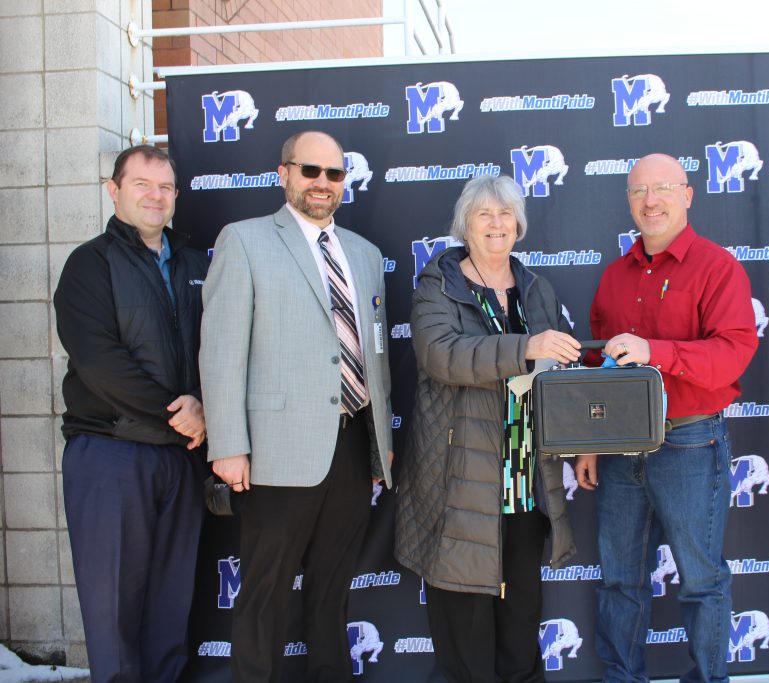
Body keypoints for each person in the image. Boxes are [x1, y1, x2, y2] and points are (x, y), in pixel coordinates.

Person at [200, 130, 394, 682]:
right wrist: (230, 447)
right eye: (310, 171)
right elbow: (221, 353)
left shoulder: (364, 254)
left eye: (334, 175)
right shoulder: (244, 240)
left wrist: (382, 449)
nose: (323, 184)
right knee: (264, 589)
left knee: (333, 588)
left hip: (354, 445)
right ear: (283, 173)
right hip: (276, 450)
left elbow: (375, 358)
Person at [574, 153, 758, 683]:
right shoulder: (613, 277)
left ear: (687, 195)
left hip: (689, 442)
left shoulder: (716, 266)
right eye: (638, 192)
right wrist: (590, 441)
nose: (649, 201)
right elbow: (596, 369)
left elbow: (732, 354)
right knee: (618, 580)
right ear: (629, 202)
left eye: (662, 188)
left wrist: (656, 350)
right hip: (617, 448)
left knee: (701, 580)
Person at [395, 175, 581, 683]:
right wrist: (526, 347)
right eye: (484, 215)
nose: (496, 224)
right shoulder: (439, 284)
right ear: (465, 226)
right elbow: (441, 356)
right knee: (465, 638)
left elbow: (555, 374)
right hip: (461, 483)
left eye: (505, 214)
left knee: (521, 627)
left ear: (519, 224)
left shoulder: (537, 287)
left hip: (525, 483)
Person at [54, 145, 207, 683]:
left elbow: (219, 345)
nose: (155, 195)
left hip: (179, 458)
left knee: (170, 607)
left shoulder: (193, 263)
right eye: (141, 184)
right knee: (113, 607)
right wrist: (181, 413)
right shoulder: (89, 264)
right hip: (111, 454)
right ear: (114, 190)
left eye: (165, 187)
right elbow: (100, 363)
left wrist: (204, 405)